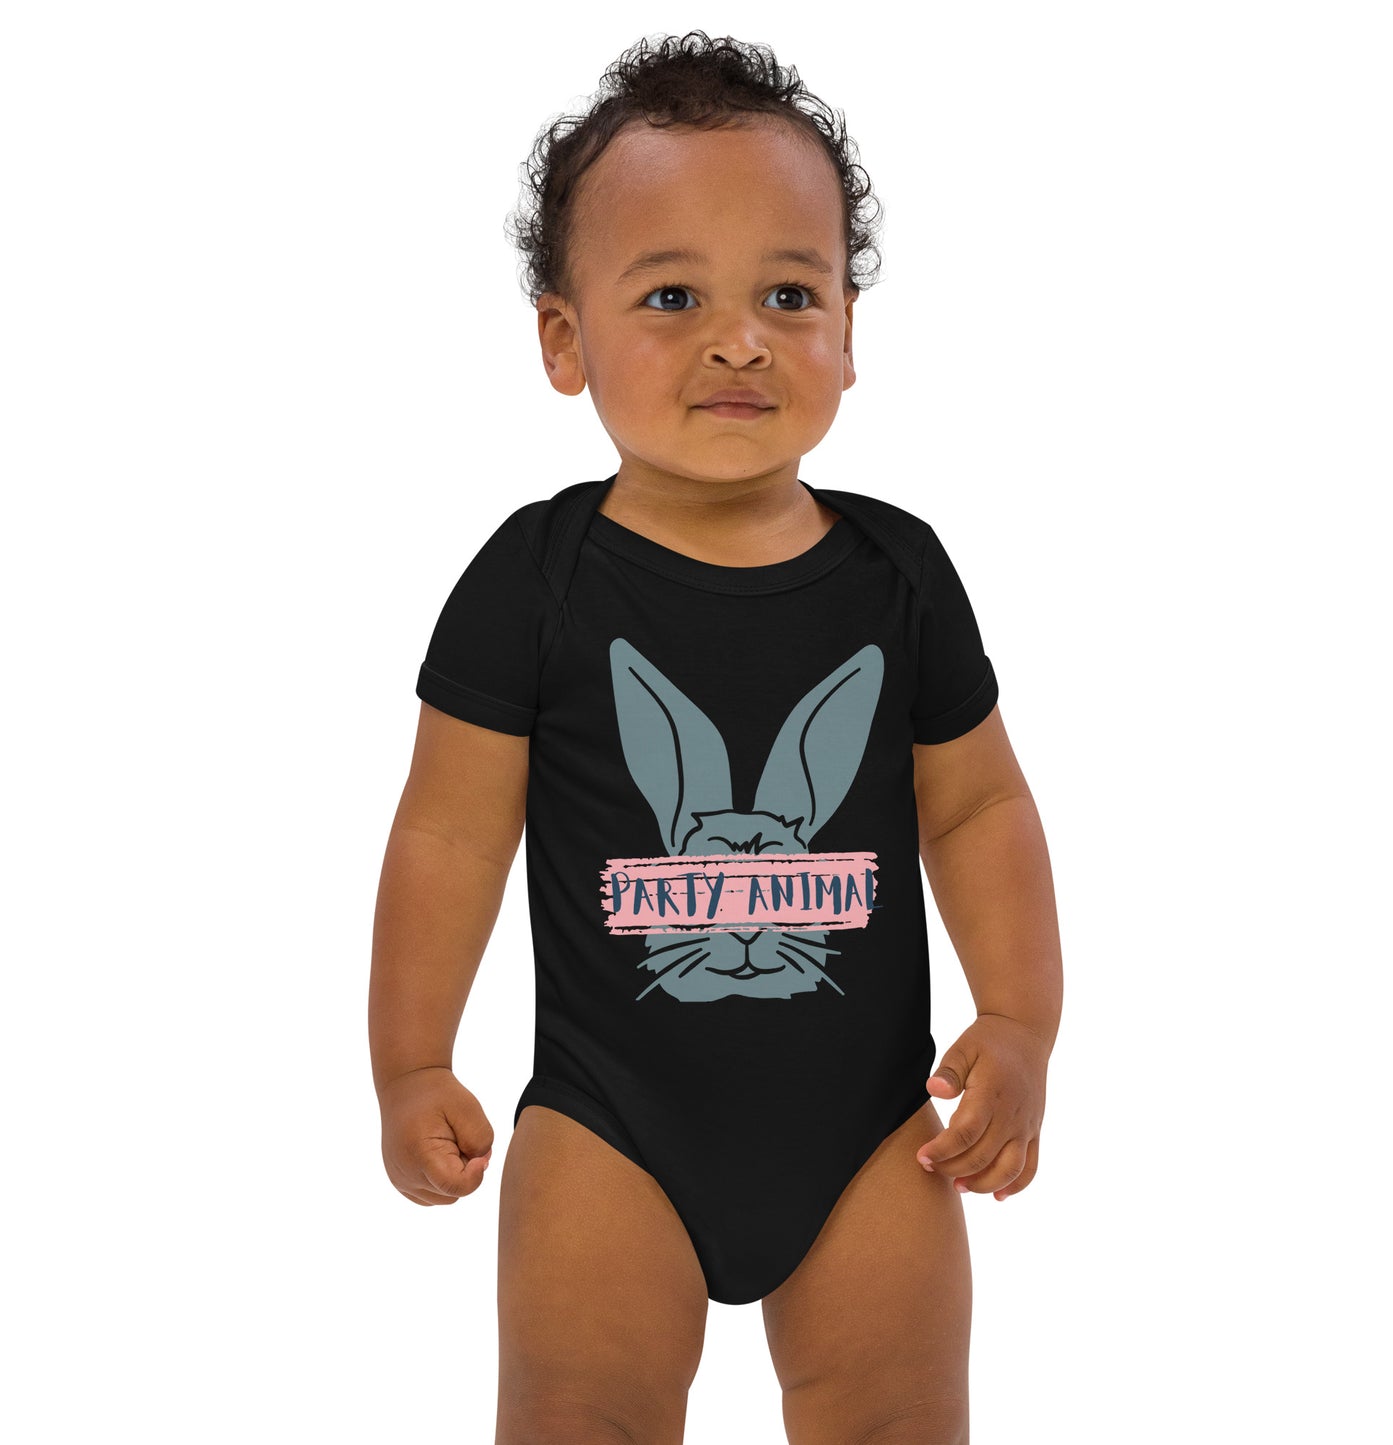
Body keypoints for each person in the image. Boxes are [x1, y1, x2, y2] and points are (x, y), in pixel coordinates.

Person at [370, 30, 1062, 1445]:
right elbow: (447, 831)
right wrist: (409, 1060)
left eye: (789, 295)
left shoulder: (899, 576)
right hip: (608, 1131)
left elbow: (977, 808)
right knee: (578, 1415)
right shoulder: (535, 581)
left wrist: (1019, 1020)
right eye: (672, 295)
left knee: (898, 1420)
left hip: (872, 1135)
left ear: (850, 336)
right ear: (564, 340)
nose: (739, 338)